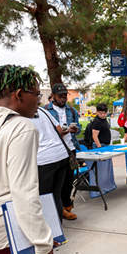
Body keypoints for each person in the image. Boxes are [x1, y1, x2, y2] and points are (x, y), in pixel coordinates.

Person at [0, 64, 58, 254]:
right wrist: (42, 240)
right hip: (4, 236)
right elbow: (23, 192)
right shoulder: (21, 127)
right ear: (19, 95)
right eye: (36, 94)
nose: (40, 101)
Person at [44, 83, 81, 220]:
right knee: (54, 183)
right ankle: (55, 210)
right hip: (53, 151)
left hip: (70, 150)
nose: (63, 99)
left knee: (68, 181)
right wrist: (58, 133)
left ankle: (66, 207)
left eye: (65, 96)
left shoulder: (71, 111)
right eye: (60, 97)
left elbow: (78, 128)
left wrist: (76, 130)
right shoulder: (45, 111)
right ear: (52, 96)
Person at [31, 107, 70, 221]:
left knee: (44, 198)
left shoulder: (20, 115)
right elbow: (59, 131)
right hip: (60, 154)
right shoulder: (44, 111)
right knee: (55, 195)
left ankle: (51, 232)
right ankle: (58, 231)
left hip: (44, 159)